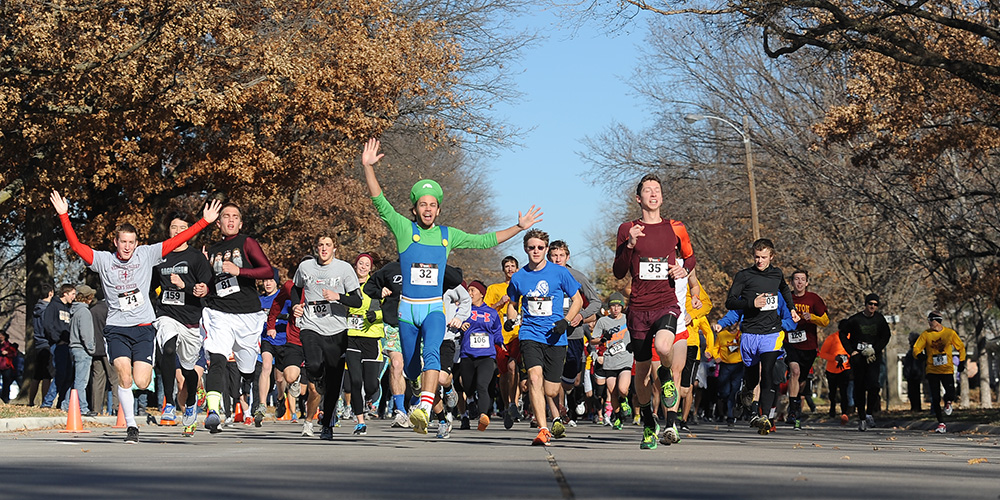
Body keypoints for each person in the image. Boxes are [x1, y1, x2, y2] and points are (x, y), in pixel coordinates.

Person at [361, 138, 542, 434]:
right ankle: (437, 401)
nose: (428, 209)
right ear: (415, 208)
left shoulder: (448, 235)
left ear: (439, 209)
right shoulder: (405, 230)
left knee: (432, 352)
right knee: (410, 369)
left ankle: (423, 407)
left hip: (433, 308)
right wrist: (368, 168)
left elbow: (484, 240)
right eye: (423, 204)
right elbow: (379, 202)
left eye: (433, 205)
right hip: (407, 310)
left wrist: (519, 228)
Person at [51, 189, 221, 443]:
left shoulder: (146, 254)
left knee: (141, 382)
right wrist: (64, 215)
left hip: (143, 327)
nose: (127, 247)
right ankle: (131, 426)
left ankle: (169, 399)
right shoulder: (103, 260)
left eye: (132, 242)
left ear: (137, 243)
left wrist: (204, 222)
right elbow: (76, 246)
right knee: (123, 374)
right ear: (116, 242)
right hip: (117, 327)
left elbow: (177, 241)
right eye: (123, 242)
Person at [612, 174, 698, 449]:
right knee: (641, 371)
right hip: (638, 308)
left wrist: (683, 268)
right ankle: (649, 422)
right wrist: (630, 245)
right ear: (639, 198)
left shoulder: (675, 227)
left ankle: (666, 376)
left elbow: (690, 256)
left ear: (661, 197)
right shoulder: (628, 228)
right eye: (647, 190)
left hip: (666, 302)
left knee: (664, 345)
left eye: (657, 190)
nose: (653, 194)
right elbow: (618, 272)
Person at [199, 202, 274, 434]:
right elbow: (213, 285)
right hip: (219, 312)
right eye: (225, 216)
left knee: (247, 367)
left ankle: (248, 393)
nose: (230, 220)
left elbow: (267, 271)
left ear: (240, 223)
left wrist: (240, 271)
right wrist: (204, 286)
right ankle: (213, 412)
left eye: (235, 217)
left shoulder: (247, 243)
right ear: (218, 223)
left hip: (248, 316)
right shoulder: (210, 251)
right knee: (218, 358)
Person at [505, 229, 582, 446]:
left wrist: (566, 321)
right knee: (534, 378)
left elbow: (578, 301)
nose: (536, 251)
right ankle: (543, 429)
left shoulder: (560, 273)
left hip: (555, 336)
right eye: (532, 247)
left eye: (540, 247)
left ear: (546, 249)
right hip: (530, 333)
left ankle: (550, 413)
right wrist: (511, 319)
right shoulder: (519, 276)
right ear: (525, 249)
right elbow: (512, 303)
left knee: (551, 389)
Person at [290, 235, 363, 439]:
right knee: (313, 365)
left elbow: (357, 300)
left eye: (328, 245)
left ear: (334, 249)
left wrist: (338, 296)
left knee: (334, 380)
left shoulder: (344, 268)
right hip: (311, 325)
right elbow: (295, 288)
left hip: (337, 330)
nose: (324, 249)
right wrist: (296, 304)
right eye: (320, 245)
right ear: (316, 248)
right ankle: (316, 376)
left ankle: (327, 425)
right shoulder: (306, 267)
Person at [725, 238, 800, 435]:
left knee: (768, 373)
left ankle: (765, 416)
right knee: (752, 378)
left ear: (771, 257)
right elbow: (730, 302)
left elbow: (784, 288)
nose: (760, 261)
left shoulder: (777, 274)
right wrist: (751, 303)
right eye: (757, 257)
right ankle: (746, 392)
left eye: (764, 257)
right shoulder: (743, 276)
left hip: (772, 332)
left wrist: (791, 309)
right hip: (750, 332)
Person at [151, 210, 214, 433]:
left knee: (188, 371)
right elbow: (150, 287)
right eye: (174, 227)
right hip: (166, 314)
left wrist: (187, 287)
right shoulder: (158, 255)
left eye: (183, 228)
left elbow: (207, 288)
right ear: (168, 230)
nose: (178, 232)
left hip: (190, 320)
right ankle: (168, 402)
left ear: (189, 232)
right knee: (167, 349)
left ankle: (190, 404)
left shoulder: (196, 258)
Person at [547, 241, 601, 428]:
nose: (557, 259)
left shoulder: (577, 277)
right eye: (554, 256)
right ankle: (557, 413)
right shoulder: (543, 276)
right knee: (551, 375)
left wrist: (580, 315)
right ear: (549, 257)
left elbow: (596, 303)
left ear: (568, 257)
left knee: (570, 380)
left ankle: (571, 396)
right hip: (549, 334)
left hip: (573, 334)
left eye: (561, 255)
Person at [363, 260, 409, 427]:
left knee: (415, 372)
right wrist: (379, 291)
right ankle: (401, 412)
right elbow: (369, 287)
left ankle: (419, 398)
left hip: (418, 325)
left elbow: (455, 279)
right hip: (393, 325)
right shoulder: (391, 269)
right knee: (396, 364)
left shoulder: (427, 266)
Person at [345, 253, 385, 436]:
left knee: (371, 385)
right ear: (355, 265)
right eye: (360, 263)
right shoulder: (347, 284)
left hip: (372, 337)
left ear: (371, 268)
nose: (362, 266)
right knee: (354, 380)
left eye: (366, 264)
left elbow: (391, 309)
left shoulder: (376, 286)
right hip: (351, 336)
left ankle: (370, 398)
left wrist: (375, 315)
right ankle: (360, 421)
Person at [457, 280, 505, 432]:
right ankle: (470, 399)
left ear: (481, 294)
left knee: (482, 385)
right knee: (468, 385)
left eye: (473, 291)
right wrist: (460, 325)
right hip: (467, 354)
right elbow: (454, 325)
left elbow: (497, 330)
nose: (470, 293)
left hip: (486, 355)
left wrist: (500, 342)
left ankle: (483, 416)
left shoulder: (491, 312)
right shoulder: (463, 310)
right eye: (468, 291)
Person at [839, 293, 891, 431]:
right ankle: (861, 417)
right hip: (858, 358)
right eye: (870, 304)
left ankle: (869, 414)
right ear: (866, 304)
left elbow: (886, 336)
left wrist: (875, 349)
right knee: (859, 387)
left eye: (875, 304)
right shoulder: (856, 319)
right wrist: (851, 351)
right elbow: (842, 333)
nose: (872, 306)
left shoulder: (880, 320)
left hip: (873, 357)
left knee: (874, 385)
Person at [785, 270, 829, 429]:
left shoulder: (814, 299)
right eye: (796, 279)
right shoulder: (786, 297)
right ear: (791, 282)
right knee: (794, 371)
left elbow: (825, 321)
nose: (799, 282)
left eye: (802, 280)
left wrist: (813, 317)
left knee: (802, 379)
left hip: (809, 345)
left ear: (807, 283)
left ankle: (796, 404)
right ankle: (792, 409)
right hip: (790, 342)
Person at [484, 256, 524, 429]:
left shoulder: (523, 286)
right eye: (507, 266)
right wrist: (500, 303)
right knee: (503, 375)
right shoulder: (494, 288)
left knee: (513, 367)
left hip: (517, 335)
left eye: (513, 266)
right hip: (499, 336)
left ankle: (514, 403)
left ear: (517, 268)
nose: (510, 269)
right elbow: (484, 311)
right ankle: (507, 406)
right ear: (503, 270)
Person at [913, 311, 966, 434]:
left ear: (937, 321)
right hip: (932, 370)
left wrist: (962, 361)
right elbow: (916, 348)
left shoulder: (949, 333)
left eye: (931, 321)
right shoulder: (926, 334)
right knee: (935, 397)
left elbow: (961, 347)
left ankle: (948, 402)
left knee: (950, 392)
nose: (929, 323)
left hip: (946, 369)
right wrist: (919, 356)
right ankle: (941, 423)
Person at [592, 292, 631, 430]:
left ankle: (624, 399)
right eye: (613, 306)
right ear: (609, 307)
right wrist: (603, 338)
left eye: (618, 306)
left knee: (622, 389)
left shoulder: (628, 319)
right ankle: (618, 417)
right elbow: (593, 340)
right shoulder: (603, 321)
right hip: (610, 361)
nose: (615, 309)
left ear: (622, 307)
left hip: (626, 359)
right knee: (612, 391)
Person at [42, 283, 76, 411]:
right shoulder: (54, 306)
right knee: (60, 373)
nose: (74, 297)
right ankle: (47, 402)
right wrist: (57, 339)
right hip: (58, 345)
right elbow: (48, 325)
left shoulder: (68, 308)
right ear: (65, 293)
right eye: (72, 294)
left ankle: (61, 403)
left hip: (67, 345)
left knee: (68, 375)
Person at [68, 285, 97, 416]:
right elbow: (86, 333)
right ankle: (82, 408)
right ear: (88, 298)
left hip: (74, 347)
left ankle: (66, 404)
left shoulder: (74, 310)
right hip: (82, 349)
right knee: (81, 381)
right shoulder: (84, 312)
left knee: (74, 379)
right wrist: (91, 348)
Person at [818, 323, 852, 424]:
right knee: (832, 392)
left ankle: (844, 412)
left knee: (844, 391)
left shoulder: (852, 339)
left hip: (846, 369)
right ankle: (832, 408)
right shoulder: (832, 338)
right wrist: (834, 358)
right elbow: (822, 353)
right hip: (832, 370)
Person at [28, 283, 54, 407]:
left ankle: (31, 401)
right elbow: (48, 327)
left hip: (38, 342)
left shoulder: (36, 308)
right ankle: (45, 401)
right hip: (47, 343)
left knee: (37, 375)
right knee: (47, 375)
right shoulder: (48, 309)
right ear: (50, 293)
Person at [902, 331, 925, 412]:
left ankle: (916, 407)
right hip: (912, 374)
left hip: (914, 375)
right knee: (913, 392)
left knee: (914, 392)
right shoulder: (913, 351)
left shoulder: (915, 351)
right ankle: (915, 407)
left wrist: (912, 373)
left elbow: (914, 364)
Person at [0, 329, 18, 403]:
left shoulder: (9, 345)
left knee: (6, 384)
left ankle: (5, 399)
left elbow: (14, 354)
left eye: (1, 336)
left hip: (7, 366)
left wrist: (7, 353)